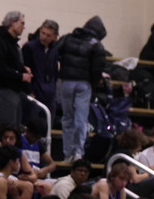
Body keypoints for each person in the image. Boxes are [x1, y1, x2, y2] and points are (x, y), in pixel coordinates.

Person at [55, 16, 107, 162]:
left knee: (67, 118)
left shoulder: (67, 38)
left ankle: (67, 153)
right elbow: (97, 69)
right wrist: (94, 85)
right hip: (83, 84)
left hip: (66, 81)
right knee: (81, 119)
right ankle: (78, 151)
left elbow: (55, 53)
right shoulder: (96, 45)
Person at [0, 11, 32, 126]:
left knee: (15, 127)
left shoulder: (13, 44)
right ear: (12, 22)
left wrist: (23, 69)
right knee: (9, 127)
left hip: (15, 90)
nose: (24, 27)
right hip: (5, 90)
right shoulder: (0, 43)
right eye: (22, 23)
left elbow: (11, 64)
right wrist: (21, 75)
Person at [22, 19, 60, 117]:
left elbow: (54, 71)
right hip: (34, 93)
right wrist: (30, 91)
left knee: (48, 122)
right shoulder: (29, 47)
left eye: (48, 35)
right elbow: (25, 69)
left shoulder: (54, 50)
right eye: (43, 33)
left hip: (49, 94)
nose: (44, 37)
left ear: (55, 36)